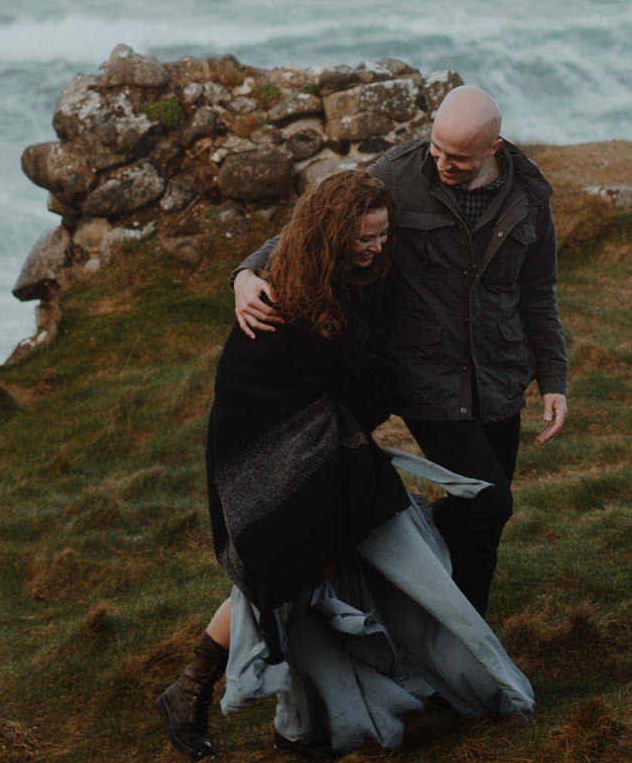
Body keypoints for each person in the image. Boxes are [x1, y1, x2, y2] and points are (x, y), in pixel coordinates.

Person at [156, 169, 533, 760]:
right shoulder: (279, 291)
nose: (377, 247)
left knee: (346, 546)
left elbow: (360, 363)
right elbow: (257, 378)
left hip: (332, 427)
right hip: (260, 433)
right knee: (278, 563)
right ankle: (191, 690)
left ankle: (311, 717)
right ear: (332, 235)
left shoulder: (371, 272)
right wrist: (243, 276)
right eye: (364, 238)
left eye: (382, 235)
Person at [233, 85, 568, 617]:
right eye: (436, 148)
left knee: (486, 520)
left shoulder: (530, 195)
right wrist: (248, 272)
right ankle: (387, 538)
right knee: (489, 503)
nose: (441, 163)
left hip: (502, 379)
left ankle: (468, 638)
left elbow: (538, 293)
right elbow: (318, 221)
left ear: (492, 149)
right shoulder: (397, 171)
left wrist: (553, 379)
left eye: (456, 157)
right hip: (425, 375)